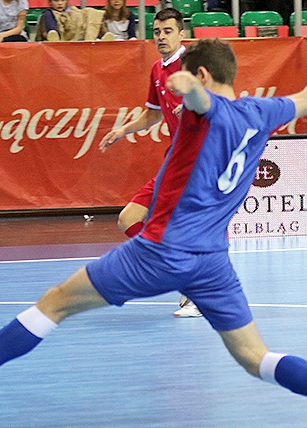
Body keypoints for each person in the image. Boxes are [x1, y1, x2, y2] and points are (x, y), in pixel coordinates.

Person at [0, 35, 307, 428]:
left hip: (161, 250)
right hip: (212, 261)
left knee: (54, 304)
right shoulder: (263, 111)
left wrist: (184, 88)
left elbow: (201, 101)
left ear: (200, 73)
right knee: (254, 357)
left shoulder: (204, 111)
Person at [98, 9, 200, 317]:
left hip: (198, 162)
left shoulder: (194, 66)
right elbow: (153, 114)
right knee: (128, 219)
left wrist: (195, 103)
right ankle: (179, 275)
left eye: (168, 31)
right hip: (173, 161)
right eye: (157, 31)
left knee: (183, 229)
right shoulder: (157, 69)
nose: (161, 36)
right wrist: (122, 130)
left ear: (182, 34)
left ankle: (197, 290)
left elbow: (220, 102)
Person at [35, 0, 109, 42]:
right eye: (56, 0)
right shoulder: (48, 13)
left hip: (75, 38)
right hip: (58, 39)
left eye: (62, 0)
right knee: (49, 16)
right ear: (50, 3)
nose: (60, 3)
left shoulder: (73, 10)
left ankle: (101, 38)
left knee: (90, 12)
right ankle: (54, 38)